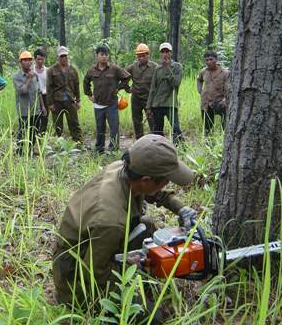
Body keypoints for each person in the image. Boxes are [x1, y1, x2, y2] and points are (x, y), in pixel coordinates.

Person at [53, 134, 197, 308]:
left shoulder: (124, 170)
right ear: (146, 180)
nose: (166, 185)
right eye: (166, 181)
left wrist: (179, 208)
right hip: (76, 279)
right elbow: (94, 274)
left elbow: (154, 192)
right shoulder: (110, 220)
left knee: (147, 226)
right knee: (152, 315)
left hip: (94, 247)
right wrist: (133, 269)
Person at [83, 45, 130, 153]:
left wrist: (118, 88)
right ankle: (99, 149)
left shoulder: (114, 69)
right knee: (100, 128)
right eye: (102, 54)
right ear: (97, 56)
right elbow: (86, 82)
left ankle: (113, 149)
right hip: (98, 104)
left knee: (114, 127)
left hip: (111, 104)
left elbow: (127, 77)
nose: (104, 57)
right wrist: (89, 95)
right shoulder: (91, 70)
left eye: (106, 55)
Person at [146, 42, 184, 144]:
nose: (165, 54)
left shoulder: (177, 67)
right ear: (160, 53)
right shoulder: (157, 69)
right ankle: (159, 149)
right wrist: (149, 106)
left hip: (170, 103)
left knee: (175, 127)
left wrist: (167, 68)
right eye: (163, 52)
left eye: (167, 51)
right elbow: (153, 89)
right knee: (157, 130)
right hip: (157, 104)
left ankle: (180, 148)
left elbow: (175, 83)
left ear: (171, 53)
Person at [13, 50, 47, 154]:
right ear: (21, 62)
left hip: (35, 108)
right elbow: (21, 91)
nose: (27, 62)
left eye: (29, 60)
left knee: (34, 130)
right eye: (25, 60)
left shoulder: (35, 75)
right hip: (24, 109)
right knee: (23, 130)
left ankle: (30, 149)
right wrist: (29, 78)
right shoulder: (17, 76)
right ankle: (20, 150)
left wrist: (43, 106)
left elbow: (39, 91)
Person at [46, 46, 82, 143]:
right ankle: (59, 142)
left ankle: (77, 141)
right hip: (57, 100)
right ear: (58, 57)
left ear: (68, 56)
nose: (63, 58)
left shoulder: (73, 70)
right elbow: (49, 88)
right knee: (57, 123)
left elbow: (77, 85)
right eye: (61, 56)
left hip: (70, 100)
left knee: (74, 122)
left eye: (65, 56)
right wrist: (50, 104)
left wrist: (78, 100)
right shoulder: (51, 70)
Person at [125, 43, 157, 139]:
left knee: (152, 120)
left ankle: (154, 140)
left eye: (144, 55)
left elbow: (159, 83)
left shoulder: (155, 67)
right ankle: (139, 140)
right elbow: (123, 77)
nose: (142, 57)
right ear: (137, 56)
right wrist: (127, 88)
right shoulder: (132, 67)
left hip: (149, 99)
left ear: (148, 55)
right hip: (136, 98)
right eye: (139, 55)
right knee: (137, 121)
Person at [197, 50, 230, 136]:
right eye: (206, 60)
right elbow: (199, 80)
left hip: (220, 102)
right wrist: (200, 90)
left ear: (216, 60)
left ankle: (224, 140)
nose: (209, 62)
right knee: (207, 127)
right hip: (206, 102)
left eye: (211, 59)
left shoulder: (224, 73)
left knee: (225, 125)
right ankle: (208, 143)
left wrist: (225, 99)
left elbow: (228, 88)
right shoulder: (203, 71)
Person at [33, 49, 49, 134]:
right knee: (35, 118)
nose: (40, 61)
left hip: (45, 96)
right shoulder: (31, 71)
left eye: (42, 59)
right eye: (38, 59)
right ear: (35, 59)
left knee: (45, 117)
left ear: (44, 59)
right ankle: (35, 136)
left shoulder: (48, 71)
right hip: (34, 97)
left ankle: (42, 136)